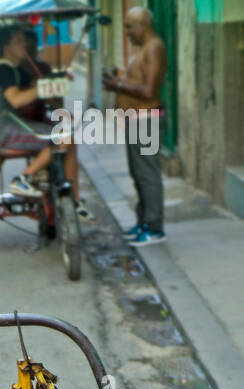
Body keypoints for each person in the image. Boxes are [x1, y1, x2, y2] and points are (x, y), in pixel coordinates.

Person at [0, 25, 86, 217]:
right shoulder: (3, 69)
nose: (24, 45)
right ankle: (23, 178)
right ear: (5, 46)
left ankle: (74, 199)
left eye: (25, 41)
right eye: (18, 41)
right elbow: (17, 99)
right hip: (3, 130)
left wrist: (56, 80)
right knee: (64, 138)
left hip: (15, 124)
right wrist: (43, 88)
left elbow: (38, 86)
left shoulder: (17, 69)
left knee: (69, 137)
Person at [103, 7, 168, 245]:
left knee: (148, 174)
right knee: (138, 174)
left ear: (143, 26)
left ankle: (154, 228)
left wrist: (117, 85)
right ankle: (143, 222)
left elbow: (149, 90)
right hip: (136, 120)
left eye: (130, 27)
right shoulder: (144, 50)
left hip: (147, 120)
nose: (127, 32)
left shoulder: (154, 48)